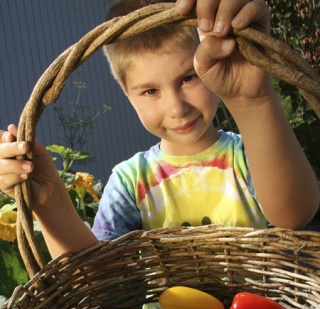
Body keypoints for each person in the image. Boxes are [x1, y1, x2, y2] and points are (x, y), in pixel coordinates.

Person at [0, 0, 319, 260]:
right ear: (127, 95)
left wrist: (255, 102)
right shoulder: (130, 183)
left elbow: (295, 215)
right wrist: (49, 201)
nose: (177, 108)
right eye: (150, 91)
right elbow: (97, 276)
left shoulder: (252, 155)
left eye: (188, 78)